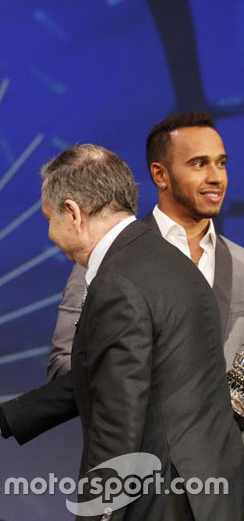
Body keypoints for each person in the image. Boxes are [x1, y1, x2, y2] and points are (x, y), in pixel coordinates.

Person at [0, 144, 244, 521]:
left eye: (49, 219)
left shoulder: (117, 283)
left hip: (162, 509)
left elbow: (117, 424)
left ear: (73, 212)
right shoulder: (172, 263)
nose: (50, 234)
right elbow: (96, 375)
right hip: (211, 503)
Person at [48, 112, 244, 381]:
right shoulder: (105, 256)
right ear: (160, 174)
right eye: (199, 164)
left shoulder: (240, 263)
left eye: (221, 163)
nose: (216, 177)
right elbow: (64, 363)